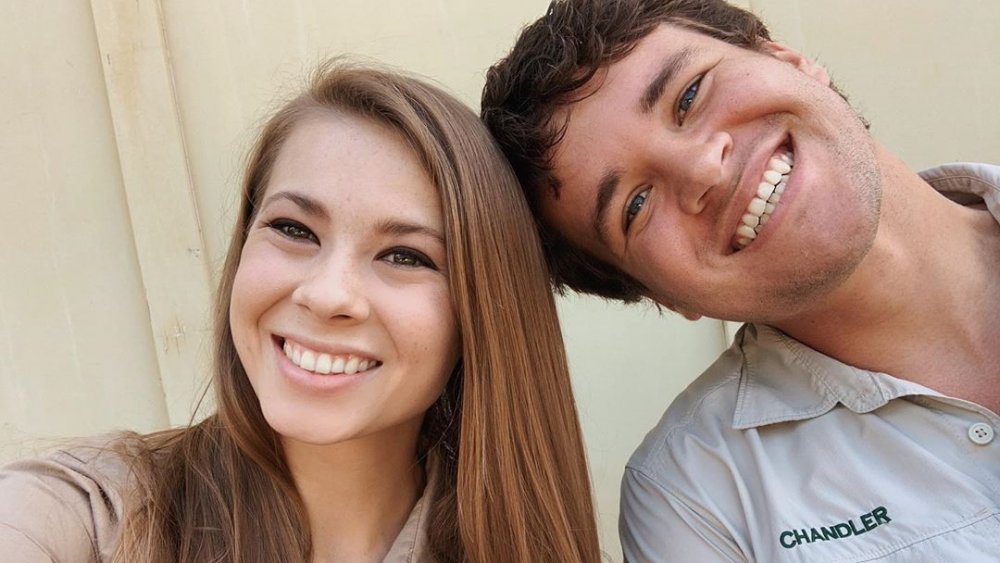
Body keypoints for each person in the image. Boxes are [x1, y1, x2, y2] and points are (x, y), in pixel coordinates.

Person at [0, 61, 602, 563]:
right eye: (293, 228)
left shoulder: (526, 544)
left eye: (405, 255)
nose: (326, 294)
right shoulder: (95, 516)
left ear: (481, 314)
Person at [481, 0, 1000, 561]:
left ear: (790, 60)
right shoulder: (693, 498)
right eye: (635, 205)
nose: (703, 168)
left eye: (689, 95)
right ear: (662, 295)